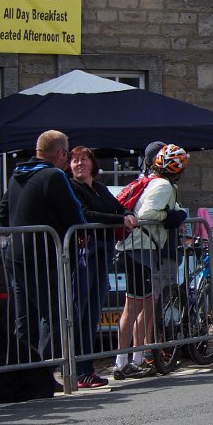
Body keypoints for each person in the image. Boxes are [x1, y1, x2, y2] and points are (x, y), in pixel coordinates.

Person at [0, 130, 86, 375]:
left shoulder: (16, 175)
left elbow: (2, 213)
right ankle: (44, 372)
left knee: (25, 320)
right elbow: (74, 215)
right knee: (59, 316)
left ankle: (22, 373)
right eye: (66, 154)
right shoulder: (54, 176)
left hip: (15, 255)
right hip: (44, 256)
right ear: (60, 153)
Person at [114, 144, 188, 380]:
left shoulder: (154, 181)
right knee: (134, 306)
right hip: (139, 248)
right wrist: (171, 217)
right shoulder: (164, 185)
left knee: (143, 304)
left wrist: (177, 212)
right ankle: (122, 361)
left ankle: (134, 359)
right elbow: (147, 214)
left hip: (140, 248)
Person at [68, 147, 138, 389]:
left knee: (92, 313)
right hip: (83, 256)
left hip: (102, 254)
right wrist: (119, 220)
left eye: (83, 159)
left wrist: (127, 214)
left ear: (92, 164)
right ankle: (78, 370)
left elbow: (118, 207)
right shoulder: (71, 187)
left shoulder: (99, 188)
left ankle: (87, 370)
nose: (79, 164)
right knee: (80, 313)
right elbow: (86, 214)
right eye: (75, 160)